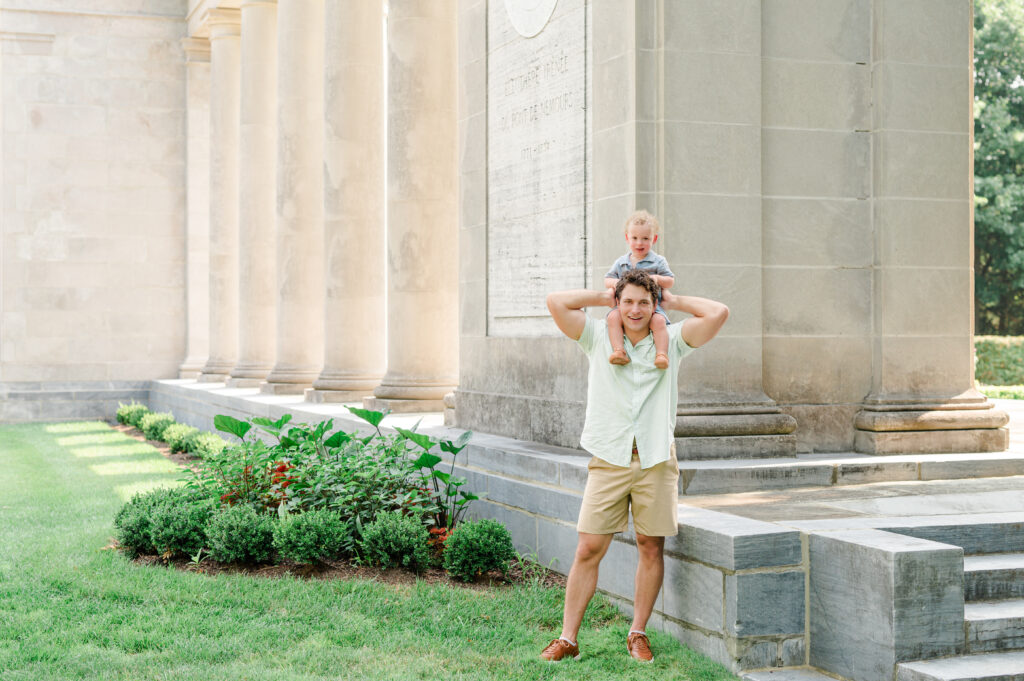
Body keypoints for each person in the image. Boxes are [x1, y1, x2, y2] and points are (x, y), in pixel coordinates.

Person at [541, 267, 728, 663]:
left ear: (654, 304)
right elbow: (556, 302)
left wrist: (672, 301)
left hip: (656, 460)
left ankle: (637, 633)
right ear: (618, 303)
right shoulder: (596, 337)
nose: (635, 309)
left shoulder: (672, 342)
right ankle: (568, 638)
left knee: (650, 545)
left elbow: (718, 313)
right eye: (628, 301)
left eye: (644, 302)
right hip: (609, 457)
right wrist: (605, 296)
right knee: (589, 546)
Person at [605, 210, 675, 370]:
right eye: (634, 238)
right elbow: (607, 279)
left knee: (659, 322)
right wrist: (616, 283)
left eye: (645, 239)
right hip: (626, 306)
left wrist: (657, 279)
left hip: (651, 306)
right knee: (613, 318)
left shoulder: (657, 261)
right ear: (627, 238)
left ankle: (662, 354)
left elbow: (670, 280)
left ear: (654, 239)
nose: (639, 243)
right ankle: (619, 350)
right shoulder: (621, 262)